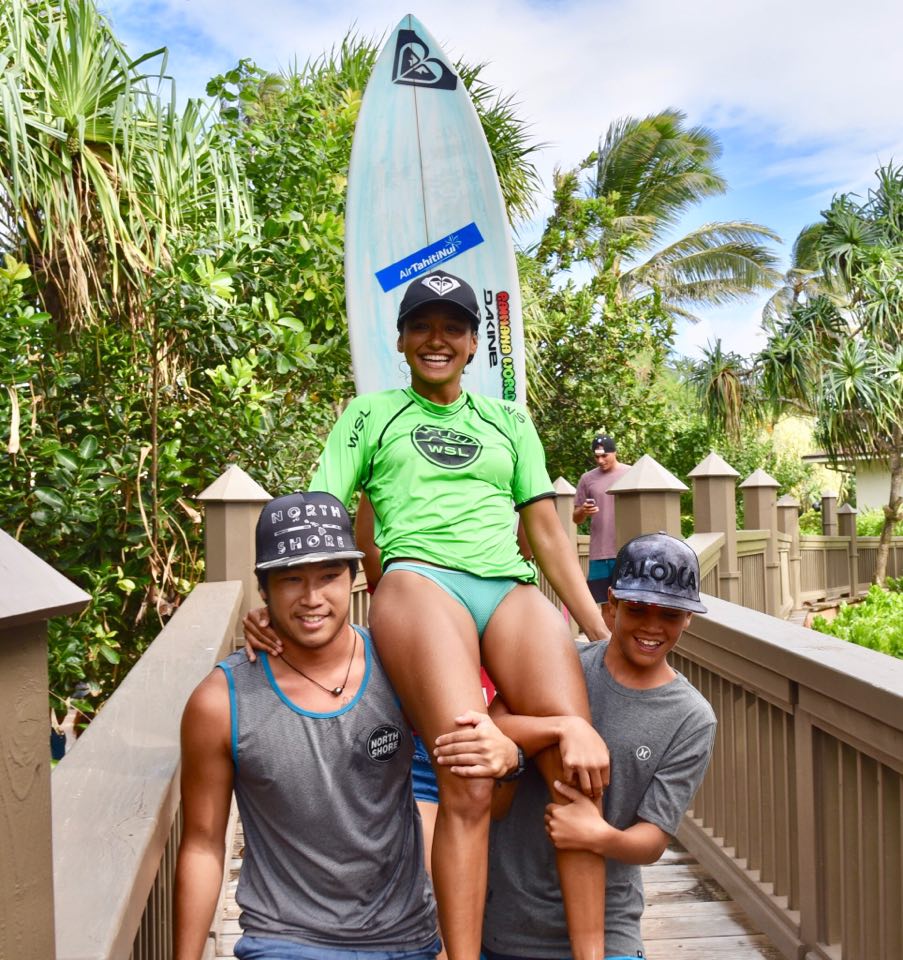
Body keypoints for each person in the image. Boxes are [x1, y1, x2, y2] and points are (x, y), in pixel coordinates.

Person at [244, 269, 611, 960]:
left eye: (452, 328)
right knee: (467, 776)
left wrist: (600, 632)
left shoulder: (508, 420)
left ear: (473, 344)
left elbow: (547, 532)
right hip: (418, 581)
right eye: (421, 326)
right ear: (401, 340)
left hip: (505, 585)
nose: (436, 339)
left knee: (577, 766)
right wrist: (267, 604)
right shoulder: (371, 414)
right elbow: (319, 512)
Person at [173, 491, 442, 960]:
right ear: (263, 589)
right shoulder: (219, 703)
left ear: (354, 577)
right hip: (284, 939)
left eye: (329, 576)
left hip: (405, 937)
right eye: (291, 579)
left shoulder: (399, 663)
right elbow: (202, 845)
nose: (312, 598)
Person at [440, 532, 717, 960]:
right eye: (637, 609)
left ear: (688, 619)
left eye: (670, 614)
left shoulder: (691, 718)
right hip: (507, 919)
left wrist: (599, 836)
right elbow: (495, 724)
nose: (652, 626)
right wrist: (563, 728)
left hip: (610, 926)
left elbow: (652, 839)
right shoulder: (557, 663)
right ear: (611, 605)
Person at [573, 436, 630, 605]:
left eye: (604, 456)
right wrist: (583, 511)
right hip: (599, 553)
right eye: (596, 456)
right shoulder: (587, 479)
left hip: (627, 552)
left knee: (629, 604)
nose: (600, 460)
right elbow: (576, 518)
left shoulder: (631, 473)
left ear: (615, 452)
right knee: (605, 605)